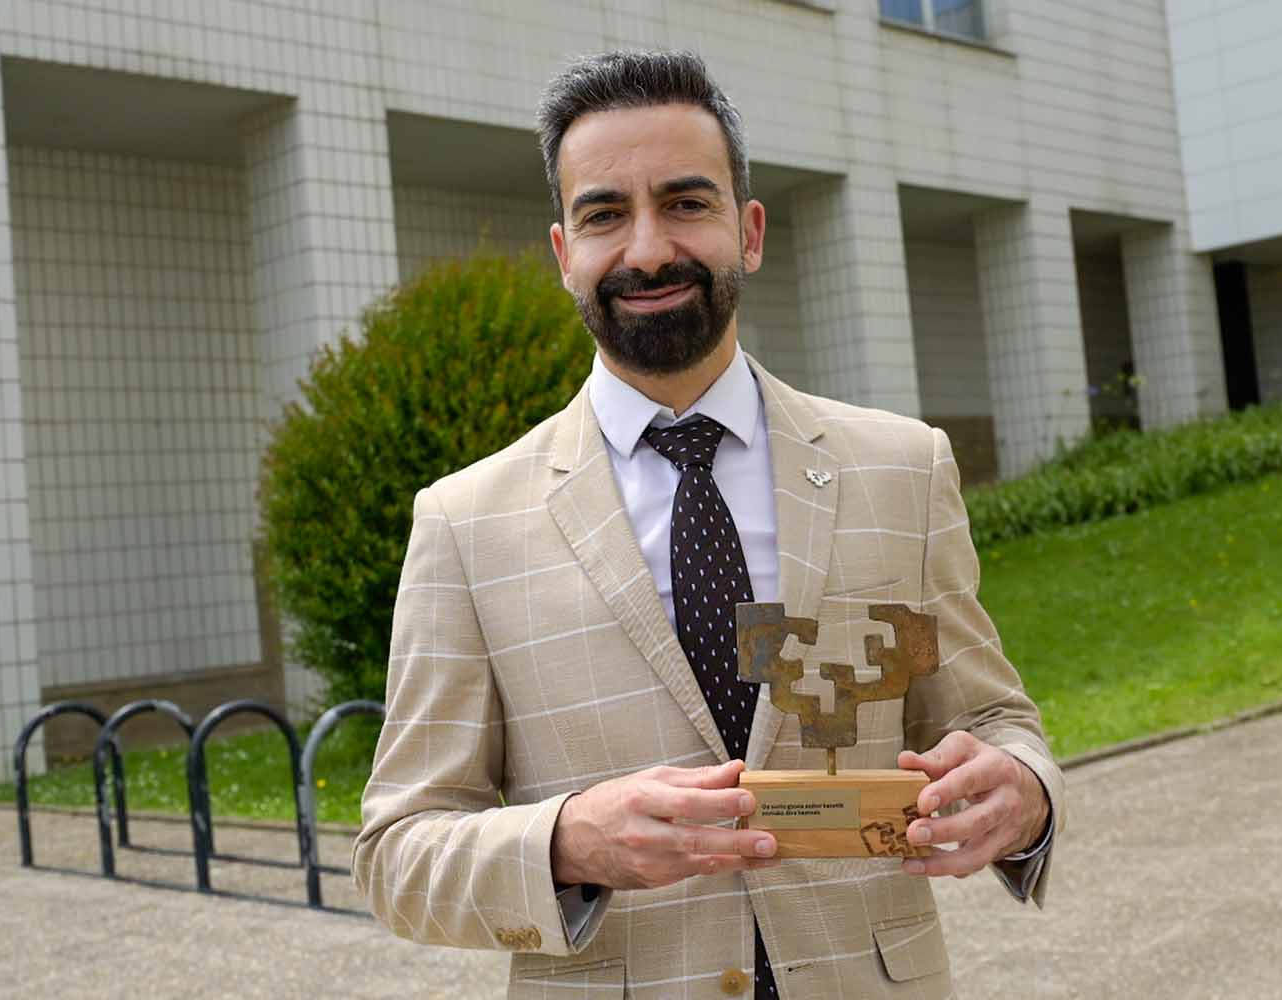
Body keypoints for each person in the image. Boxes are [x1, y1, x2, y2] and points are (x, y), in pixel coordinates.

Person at [353, 50, 1061, 999]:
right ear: (564, 253)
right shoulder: (464, 523)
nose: (648, 250)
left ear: (748, 231)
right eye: (605, 214)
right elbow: (399, 854)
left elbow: (991, 721)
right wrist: (566, 841)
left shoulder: (902, 470)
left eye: (686, 203)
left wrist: (1024, 790)